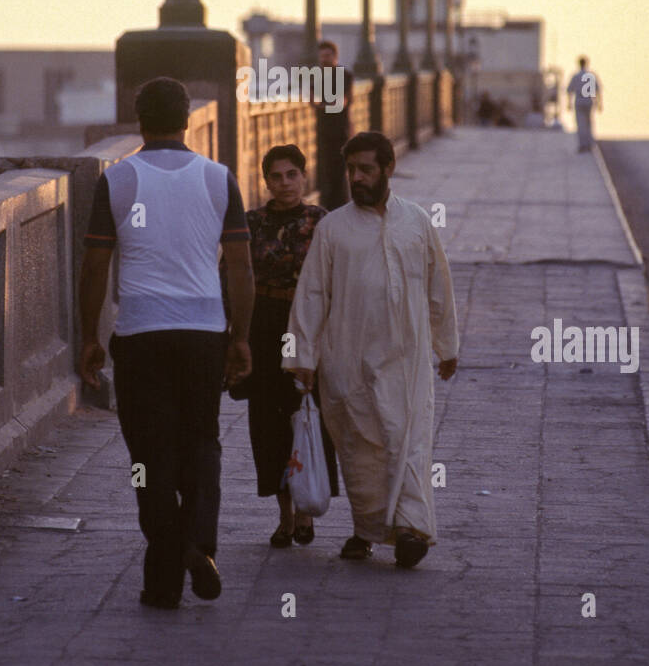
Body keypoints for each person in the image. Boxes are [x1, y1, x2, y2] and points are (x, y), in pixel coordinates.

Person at [78, 77, 254, 609]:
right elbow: (242, 269)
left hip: (141, 334)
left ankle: (164, 579)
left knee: (147, 455)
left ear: (139, 122)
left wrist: (90, 337)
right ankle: (196, 543)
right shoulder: (220, 179)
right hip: (203, 333)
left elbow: (95, 266)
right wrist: (240, 337)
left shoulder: (119, 179)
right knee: (203, 443)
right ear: (185, 121)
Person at [285, 131, 459, 569]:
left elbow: (440, 288)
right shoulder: (333, 229)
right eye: (351, 170)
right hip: (347, 360)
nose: (356, 178)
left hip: (408, 360)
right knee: (361, 450)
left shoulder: (417, 221)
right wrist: (302, 357)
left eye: (365, 169)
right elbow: (311, 296)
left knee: (409, 441)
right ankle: (367, 529)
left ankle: (411, 529)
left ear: (388, 169)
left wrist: (447, 345)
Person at [225, 143, 339, 546]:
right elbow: (232, 275)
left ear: (304, 177)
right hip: (263, 325)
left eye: (292, 174)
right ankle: (285, 515)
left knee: (307, 416)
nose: (285, 183)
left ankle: (308, 511)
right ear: (265, 181)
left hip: (306, 325)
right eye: (276, 176)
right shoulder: (251, 222)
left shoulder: (321, 222)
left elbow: (334, 281)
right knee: (268, 422)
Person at [316, 39, 354, 210]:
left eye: (327, 56)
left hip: (341, 130)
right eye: (322, 56)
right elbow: (311, 99)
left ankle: (341, 206)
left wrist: (322, 106)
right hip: (323, 130)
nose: (324, 59)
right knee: (325, 171)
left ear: (335, 57)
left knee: (339, 171)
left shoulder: (344, 75)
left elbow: (342, 103)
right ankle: (328, 207)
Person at [566, 56, 603, 152]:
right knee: (589, 123)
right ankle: (590, 144)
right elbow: (598, 90)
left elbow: (569, 90)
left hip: (579, 100)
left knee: (580, 124)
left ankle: (582, 144)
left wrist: (568, 103)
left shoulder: (576, 76)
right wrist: (599, 103)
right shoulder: (591, 75)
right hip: (588, 100)